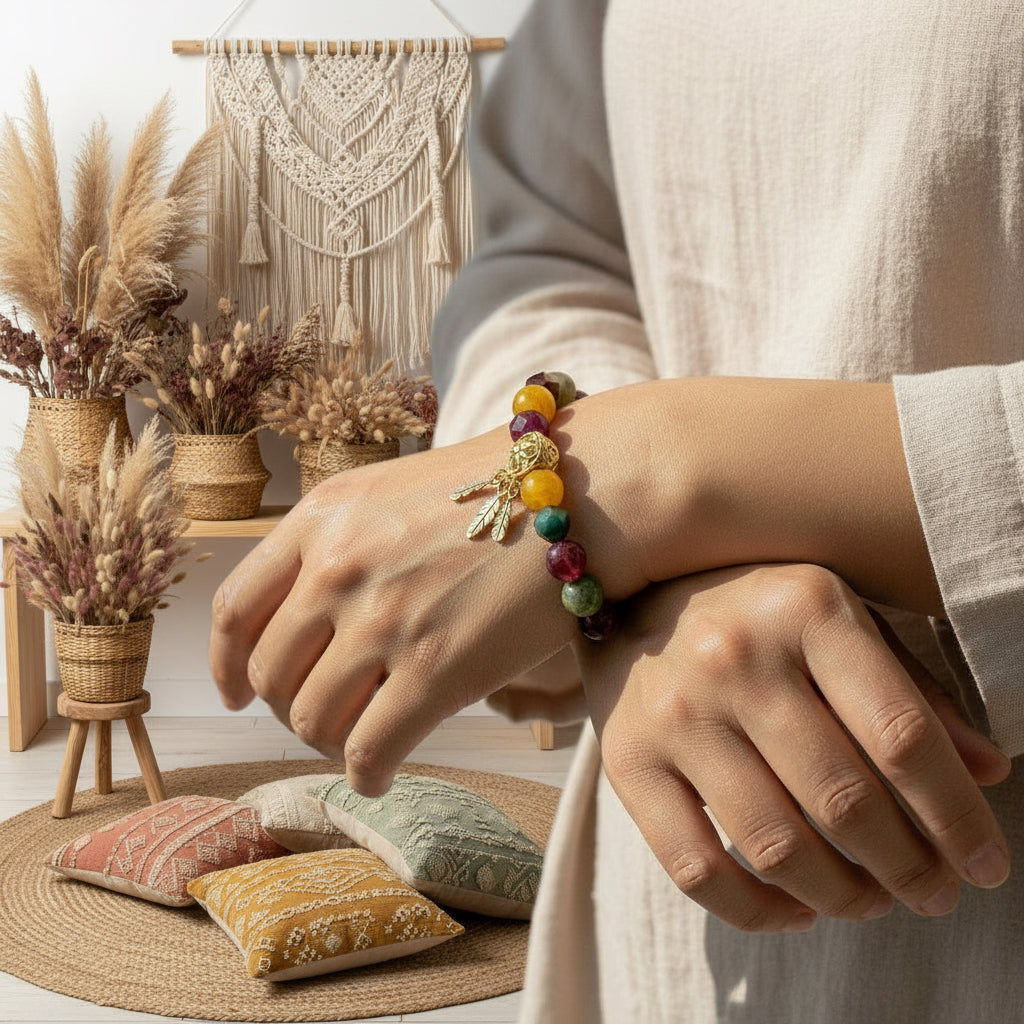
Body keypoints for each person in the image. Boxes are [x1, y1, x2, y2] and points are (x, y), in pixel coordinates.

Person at [210, 1, 1024, 1020]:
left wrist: (661, 474)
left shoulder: (637, 487)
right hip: (679, 842)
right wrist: (631, 592)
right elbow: (552, 245)